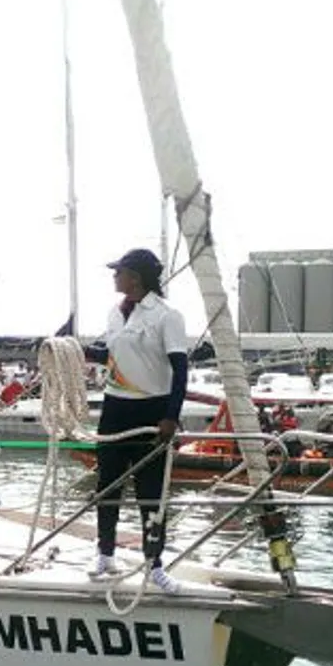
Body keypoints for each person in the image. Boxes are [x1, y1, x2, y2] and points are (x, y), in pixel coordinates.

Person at [83, 248, 188, 594]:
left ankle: (154, 564)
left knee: (151, 492)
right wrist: (76, 350)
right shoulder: (116, 314)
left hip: (150, 409)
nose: (115, 277)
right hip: (115, 408)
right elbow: (111, 355)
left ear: (136, 278)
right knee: (108, 485)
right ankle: (105, 553)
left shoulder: (166, 316)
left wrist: (171, 416)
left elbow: (181, 368)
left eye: (119, 271)